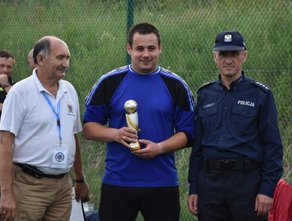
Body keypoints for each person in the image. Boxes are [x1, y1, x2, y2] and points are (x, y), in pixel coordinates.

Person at [83, 22, 196, 221]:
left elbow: (188, 133)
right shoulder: (109, 82)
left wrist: (159, 148)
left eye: (151, 48)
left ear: (160, 48)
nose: (146, 54)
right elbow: (88, 129)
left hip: (162, 182)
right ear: (129, 49)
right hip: (118, 181)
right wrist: (115, 134)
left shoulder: (176, 85)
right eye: (139, 48)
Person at [187, 31, 283, 221]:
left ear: (244, 56)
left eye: (234, 54)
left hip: (247, 184)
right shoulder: (205, 94)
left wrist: (267, 189)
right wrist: (194, 187)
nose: (228, 60)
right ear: (215, 57)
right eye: (223, 54)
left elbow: (272, 146)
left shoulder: (260, 95)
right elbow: (197, 147)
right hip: (210, 185)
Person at [0, 36, 89, 221]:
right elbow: (5, 143)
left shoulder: (69, 90)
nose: (66, 64)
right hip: (29, 186)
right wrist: (6, 194)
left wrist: (79, 179)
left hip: (63, 187)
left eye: (68, 58)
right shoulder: (20, 92)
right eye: (60, 57)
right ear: (40, 59)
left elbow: (74, 137)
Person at [0, 50, 15, 221]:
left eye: (9, 67)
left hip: (1, 145)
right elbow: (11, 105)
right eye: (1, 65)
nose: (5, 70)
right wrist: (6, 105)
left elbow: (19, 104)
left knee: (2, 187)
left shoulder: (12, 86)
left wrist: (6, 85)